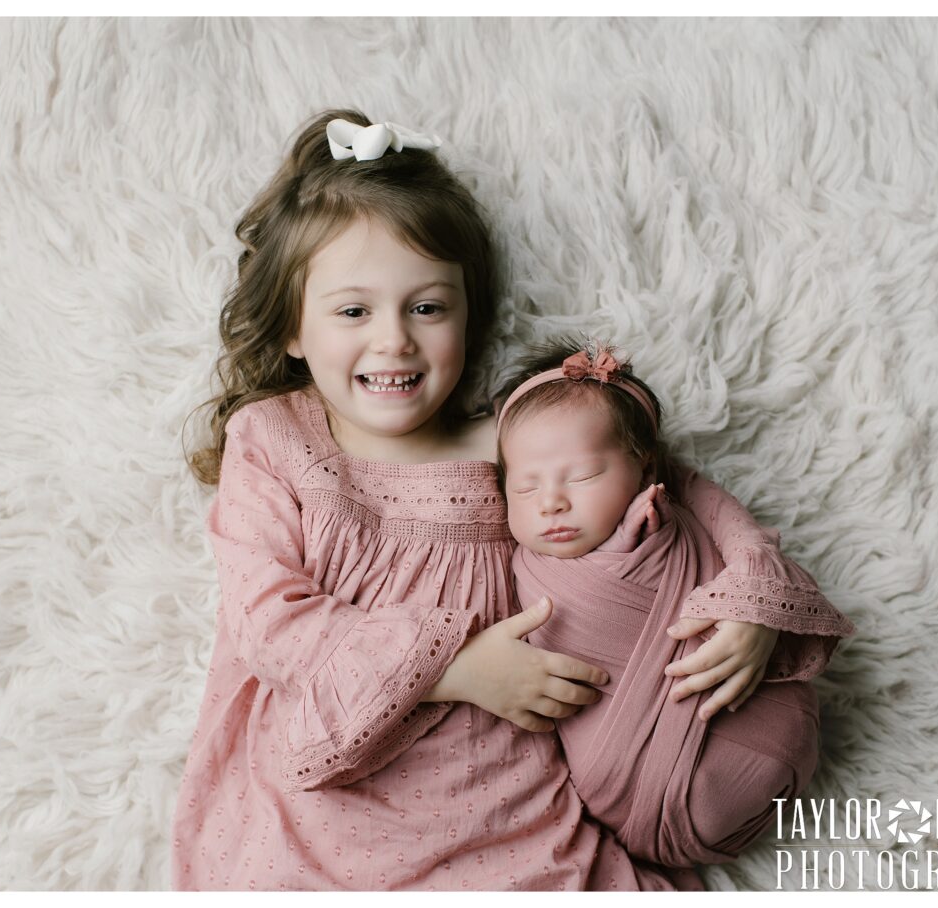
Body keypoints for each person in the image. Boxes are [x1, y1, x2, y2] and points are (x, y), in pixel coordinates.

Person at [173, 108, 846, 891]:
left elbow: (685, 490)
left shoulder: (515, 443)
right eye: (353, 310)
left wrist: (749, 598)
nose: (394, 340)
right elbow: (269, 622)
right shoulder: (278, 439)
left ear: (470, 314)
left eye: (427, 307)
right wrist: (455, 668)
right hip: (332, 789)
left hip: (502, 796)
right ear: (292, 327)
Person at [497, 338, 856, 870]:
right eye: (525, 488)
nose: (551, 502)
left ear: (646, 469)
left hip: (761, 729)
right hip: (623, 788)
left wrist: (751, 611)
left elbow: (751, 550)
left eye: (584, 476)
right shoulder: (512, 564)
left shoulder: (672, 509)